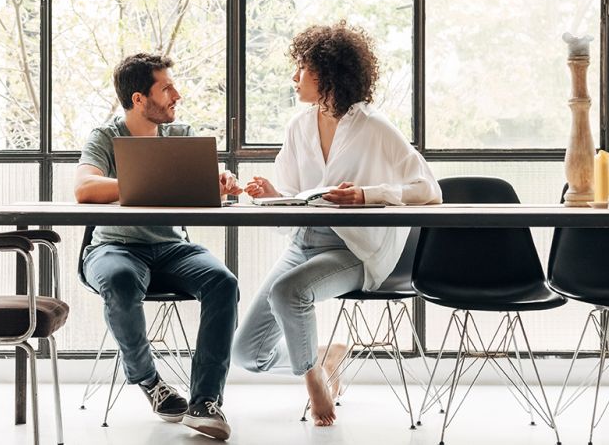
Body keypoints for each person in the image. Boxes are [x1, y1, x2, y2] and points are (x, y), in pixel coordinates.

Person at [232, 22, 441, 426]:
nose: (294, 78)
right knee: (247, 354)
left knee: (288, 291)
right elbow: (293, 195)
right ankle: (324, 359)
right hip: (304, 241)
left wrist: (367, 194)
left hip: (352, 247)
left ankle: (315, 385)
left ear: (327, 74)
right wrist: (272, 193)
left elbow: (428, 188)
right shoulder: (298, 126)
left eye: (302, 69)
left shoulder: (375, 127)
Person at [76, 52, 241, 440]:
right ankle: (150, 381)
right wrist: (142, 181)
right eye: (166, 88)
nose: (176, 94)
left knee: (223, 282)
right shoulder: (105, 137)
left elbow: (202, 181)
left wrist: (218, 180)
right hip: (114, 248)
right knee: (119, 281)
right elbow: (84, 188)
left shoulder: (180, 135)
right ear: (138, 99)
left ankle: (205, 401)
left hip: (172, 248)